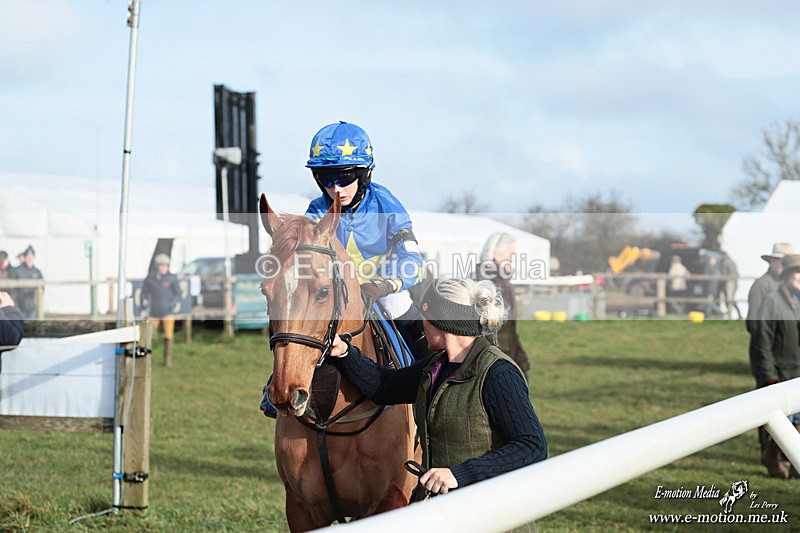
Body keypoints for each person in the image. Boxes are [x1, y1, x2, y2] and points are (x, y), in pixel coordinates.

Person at [328, 278, 547, 511]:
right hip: (441, 511)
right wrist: (344, 352)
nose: (421, 324)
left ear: (442, 321)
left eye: (425, 317)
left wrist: (460, 474)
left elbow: (532, 447)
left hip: (491, 513)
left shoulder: (498, 372)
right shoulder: (434, 366)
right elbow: (384, 387)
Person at [260, 121, 426, 418]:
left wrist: (385, 285)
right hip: (336, 292)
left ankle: (432, 378)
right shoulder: (315, 210)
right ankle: (279, 382)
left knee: (399, 304)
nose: (335, 188)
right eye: (325, 178)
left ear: (364, 174)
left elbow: (412, 258)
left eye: (345, 177)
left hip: (382, 291)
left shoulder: (387, 205)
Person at [750, 254, 800, 479]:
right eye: (797, 273)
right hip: (780, 374)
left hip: (798, 373)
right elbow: (762, 342)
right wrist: (769, 376)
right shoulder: (772, 301)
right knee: (782, 424)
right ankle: (773, 460)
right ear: (787, 276)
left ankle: (794, 465)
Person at [474, 232, 530, 381]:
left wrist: (520, 359)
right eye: (511, 255)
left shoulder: (503, 281)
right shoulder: (485, 282)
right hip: (494, 361)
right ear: (496, 255)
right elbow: (487, 330)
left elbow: (509, 329)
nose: (513, 260)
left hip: (506, 356)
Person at [141, 253, 182, 367]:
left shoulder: (172, 278)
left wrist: (172, 304)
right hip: (154, 312)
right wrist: (143, 308)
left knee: (168, 335)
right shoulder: (150, 279)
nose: (163, 267)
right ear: (157, 266)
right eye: (161, 265)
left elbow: (178, 293)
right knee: (149, 336)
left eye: (165, 265)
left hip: (168, 312)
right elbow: (144, 293)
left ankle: (167, 359)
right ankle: (146, 359)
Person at [746, 243, 793, 335]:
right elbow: (753, 322)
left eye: (787, 262)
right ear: (772, 261)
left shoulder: (792, 285)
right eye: (780, 260)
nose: (784, 265)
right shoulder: (762, 285)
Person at [9, 245, 43, 319]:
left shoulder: (37, 272)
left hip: (32, 307)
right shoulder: (17, 270)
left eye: (31, 257)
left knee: (32, 327)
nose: (30, 259)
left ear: (34, 258)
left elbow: (42, 288)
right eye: (28, 257)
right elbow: (11, 287)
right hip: (19, 306)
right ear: (25, 258)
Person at [719, 251, 740, 319]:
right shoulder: (732, 262)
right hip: (735, 282)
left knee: (729, 299)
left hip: (729, 282)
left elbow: (724, 274)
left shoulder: (725, 262)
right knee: (732, 299)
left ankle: (730, 315)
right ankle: (738, 314)